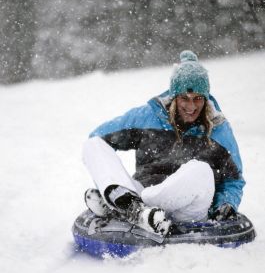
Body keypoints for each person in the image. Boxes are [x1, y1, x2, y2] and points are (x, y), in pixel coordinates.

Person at [82, 50, 245, 237]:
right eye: (184, 98)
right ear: (174, 96)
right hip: (144, 199)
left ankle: (122, 208)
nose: (191, 107)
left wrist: (226, 204)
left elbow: (234, 180)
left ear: (206, 99)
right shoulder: (148, 117)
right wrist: (112, 181)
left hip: (189, 210)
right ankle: (133, 208)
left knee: (201, 170)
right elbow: (98, 137)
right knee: (93, 145)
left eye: (198, 99)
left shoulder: (219, 129)